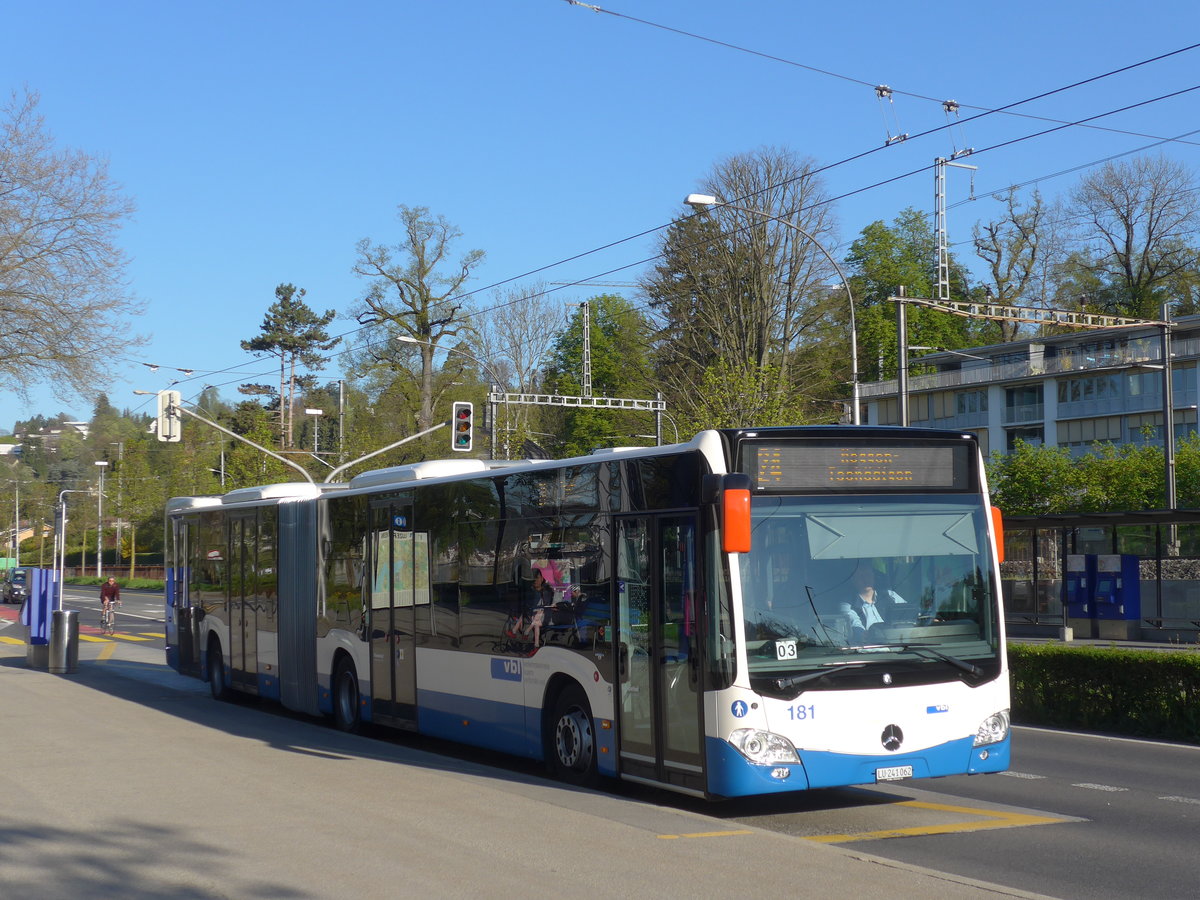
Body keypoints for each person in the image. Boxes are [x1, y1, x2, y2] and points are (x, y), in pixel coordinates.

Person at [847, 564, 906, 639]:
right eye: (860, 576)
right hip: (871, 647)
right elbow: (859, 631)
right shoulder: (849, 605)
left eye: (868, 575)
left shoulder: (890, 595)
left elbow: (908, 614)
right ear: (853, 580)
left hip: (899, 642)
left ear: (873, 576)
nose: (865, 579)